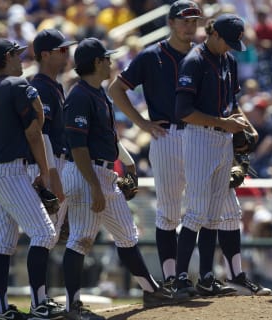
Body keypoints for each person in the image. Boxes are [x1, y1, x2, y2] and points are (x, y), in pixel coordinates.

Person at [109, 1, 271, 296]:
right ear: (170, 22)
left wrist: (244, 127)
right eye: (184, 20)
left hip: (209, 136)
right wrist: (142, 124)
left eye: (194, 20)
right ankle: (173, 279)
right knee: (170, 212)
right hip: (169, 134)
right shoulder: (153, 55)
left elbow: (230, 104)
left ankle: (232, 275)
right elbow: (116, 89)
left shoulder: (213, 55)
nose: (189, 25)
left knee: (228, 209)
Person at [61, 37, 179, 318]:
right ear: (97, 62)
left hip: (102, 172)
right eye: (107, 58)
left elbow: (109, 138)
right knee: (80, 240)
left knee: (127, 234)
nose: (111, 62)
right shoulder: (79, 96)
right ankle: (71, 306)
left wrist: (126, 164)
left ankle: (150, 289)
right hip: (85, 173)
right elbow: (78, 148)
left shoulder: (97, 92)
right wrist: (94, 188)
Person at [173, 13, 272, 297]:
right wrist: (224, 123)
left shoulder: (227, 60)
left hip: (222, 138)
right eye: (226, 41)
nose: (229, 47)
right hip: (200, 137)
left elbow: (232, 102)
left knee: (214, 215)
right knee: (196, 212)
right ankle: (181, 279)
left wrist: (243, 124)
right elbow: (183, 112)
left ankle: (206, 278)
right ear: (212, 33)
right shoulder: (194, 60)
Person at [0, 39, 65, 320]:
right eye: (17, 54)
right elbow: (33, 132)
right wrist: (43, 171)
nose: (21, 58)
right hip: (9, 170)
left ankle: (0, 309)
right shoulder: (17, 85)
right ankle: (40, 303)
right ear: (7, 57)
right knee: (44, 233)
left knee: (2, 244)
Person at [27, 28, 77, 241]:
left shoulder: (53, 85)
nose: (67, 53)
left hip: (55, 163)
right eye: (62, 49)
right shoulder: (41, 87)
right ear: (45, 55)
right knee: (44, 237)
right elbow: (42, 135)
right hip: (47, 166)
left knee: (49, 238)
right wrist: (54, 178)